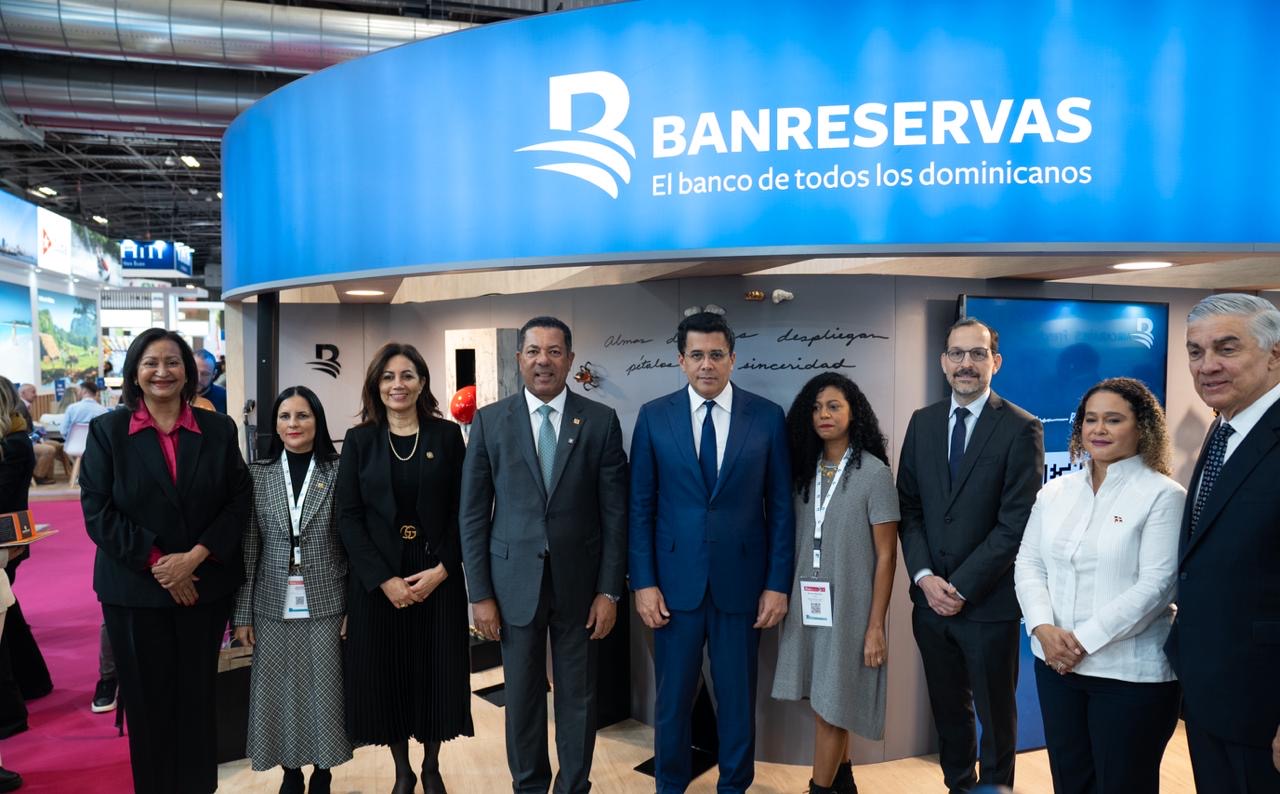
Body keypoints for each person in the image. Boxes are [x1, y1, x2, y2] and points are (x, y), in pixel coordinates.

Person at [459, 316, 628, 794]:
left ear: (570, 360)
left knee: (578, 698)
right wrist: (480, 594)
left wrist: (609, 592)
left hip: (580, 587)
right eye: (533, 351)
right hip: (512, 586)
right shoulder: (491, 421)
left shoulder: (600, 421)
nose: (543, 361)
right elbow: (472, 514)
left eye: (554, 351)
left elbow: (616, 516)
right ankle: (529, 786)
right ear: (519, 359)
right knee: (522, 697)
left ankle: (574, 786)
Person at [78, 328, 251, 794]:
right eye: (151, 362)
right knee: (148, 704)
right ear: (134, 371)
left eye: (172, 362)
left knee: (198, 700)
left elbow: (238, 500)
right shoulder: (108, 431)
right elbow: (97, 511)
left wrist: (194, 557)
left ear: (188, 372)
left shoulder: (218, 429)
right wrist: (161, 564)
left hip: (203, 587)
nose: (162, 372)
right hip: (134, 591)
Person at [629, 311, 794, 794]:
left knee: (738, 702)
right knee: (672, 702)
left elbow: (781, 510)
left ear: (732, 359)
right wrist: (643, 583)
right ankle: (670, 786)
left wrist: (777, 585)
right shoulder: (653, 417)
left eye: (716, 354)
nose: (707, 364)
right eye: (697, 355)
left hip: (741, 588)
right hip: (672, 589)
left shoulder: (766, 417)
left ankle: (734, 786)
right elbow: (640, 508)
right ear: (681, 360)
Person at [1013, 377, 1183, 794]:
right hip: (1056, 670)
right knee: (1070, 782)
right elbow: (1029, 563)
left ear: (1142, 427)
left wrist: (1080, 642)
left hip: (1130, 677)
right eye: (1090, 419)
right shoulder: (1055, 491)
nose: (1099, 429)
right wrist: (1042, 628)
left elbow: (1157, 586)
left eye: (1114, 419)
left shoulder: (1164, 495)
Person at [896, 317, 1044, 793]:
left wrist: (960, 587)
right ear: (943, 362)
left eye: (977, 354)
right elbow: (909, 508)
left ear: (995, 362)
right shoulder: (922, 422)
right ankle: (958, 787)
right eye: (957, 354)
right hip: (929, 605)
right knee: (949, 715)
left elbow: (1015, 523)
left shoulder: (1022, 427)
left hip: (987, 605)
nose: (966, 363)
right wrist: (923, 576)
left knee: (996, 720)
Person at [337, 343, 472, 794]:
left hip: (436, 572)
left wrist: (444, 568)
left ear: (422, 382)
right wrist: (383, 580)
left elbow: (464, 510)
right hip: (380, 579)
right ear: (376, 385)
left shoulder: (446, 436)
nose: (398, 384)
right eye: (388, 376)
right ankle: (402, 770)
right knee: (387, 673)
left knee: (436, 670)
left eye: (407, 375)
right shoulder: (359, 440)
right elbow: (348, 517)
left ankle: (431, 765)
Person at [1167, 293, 1280, 793]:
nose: (1206, 365)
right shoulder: (1224, 426)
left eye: (1226, 348)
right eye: (1195, 351)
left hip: (1264, 708)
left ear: (1275, 354)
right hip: (1212, 694)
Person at [772, 373, 899, 794]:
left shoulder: (874, 473)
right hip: (808, 607)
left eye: (833, 406)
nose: (823, 415)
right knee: (825, 702)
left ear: (853, 412)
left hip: (851, 611)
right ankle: (844, 783)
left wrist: (876, 626)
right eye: (815, 408)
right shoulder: (801, 473)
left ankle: (819, 789)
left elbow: (887, 556)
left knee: (832, 708)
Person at [234, 385, 351, 794]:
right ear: (275, 424)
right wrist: (242, 614)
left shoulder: (339, 471)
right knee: (279, 690)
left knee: (325, 690)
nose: (293, 424)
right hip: (272, 600)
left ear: (318, 421)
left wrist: (355, 607)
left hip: (328, 597)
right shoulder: (258, 474)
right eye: (285, 416)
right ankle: (290, 771)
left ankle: (323, 770)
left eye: (303, 415)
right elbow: (250, 547)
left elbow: (353, 543)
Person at [17, 383, 65, 485]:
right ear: (23, 393)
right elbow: (22, 431)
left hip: (27, 439)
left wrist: (39, 434)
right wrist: (39, 435)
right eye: (33, 392)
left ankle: (48, 475)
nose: (36, 395)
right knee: (49, 449)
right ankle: (38, 476)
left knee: (56, 445)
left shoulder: (24, 406)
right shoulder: (20, 407)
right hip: (24, 442)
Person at [194, 349, 227, 414]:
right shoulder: (178, 394)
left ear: (214, 374)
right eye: (194, 372)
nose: (198, 379)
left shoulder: (224, 397)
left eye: (205, 374)